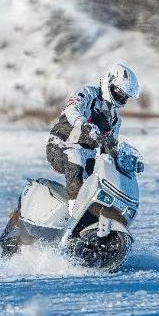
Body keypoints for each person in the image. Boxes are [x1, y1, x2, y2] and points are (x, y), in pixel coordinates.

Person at [46, 63, 140, 214]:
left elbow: (111, 146)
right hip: (60, 145)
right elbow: (71, 109)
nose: (122, 98)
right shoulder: (88, 93)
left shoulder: (115, 119)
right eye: (119, 92)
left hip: (87, 155)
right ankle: (74, 214)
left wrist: (125, 160)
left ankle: (97, 218)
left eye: (125, 96)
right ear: (108, 82)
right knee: (74, 156)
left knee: (102, 178)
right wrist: (84, 124)